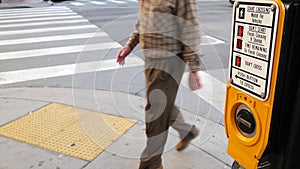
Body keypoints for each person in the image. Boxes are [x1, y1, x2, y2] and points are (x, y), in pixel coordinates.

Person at [116, 0, 202, 168]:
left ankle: (151, 163)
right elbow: (143, 20)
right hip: (151, 58)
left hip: (169, 60)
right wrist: (130, 44)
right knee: (161, 104)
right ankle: (187, 131)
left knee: (156, 111)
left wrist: (194, 67)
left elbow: (189, 27)